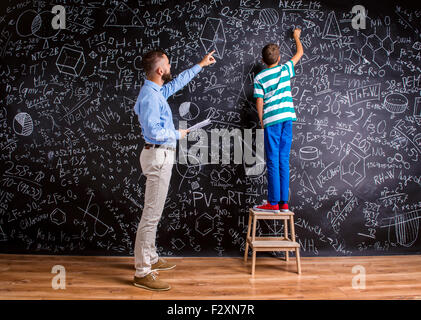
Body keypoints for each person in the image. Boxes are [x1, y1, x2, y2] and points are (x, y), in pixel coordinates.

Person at [133, 49, 216, 291]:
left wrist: (200, 65)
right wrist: (177, 134)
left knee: (153, 213)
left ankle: (150, 258)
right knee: (151, 216)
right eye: (168, 64)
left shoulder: (155, 91)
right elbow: (153, 131)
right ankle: (141, 271)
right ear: (160, 70)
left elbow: (178, 81)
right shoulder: (150, 96)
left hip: (160, 154)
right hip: (158, 154)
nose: (170, 68)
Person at [253, 28, 303, 213]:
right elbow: (300, 53)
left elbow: (259, 102)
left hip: (272, 120)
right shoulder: (285, 68)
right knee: (283, 160)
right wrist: (296, 37)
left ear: (263, 61)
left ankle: (273, 203)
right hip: (287, 118)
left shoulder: (259, 77)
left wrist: (261, 121)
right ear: (279, 58)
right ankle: (284, 203)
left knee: (273, 160)